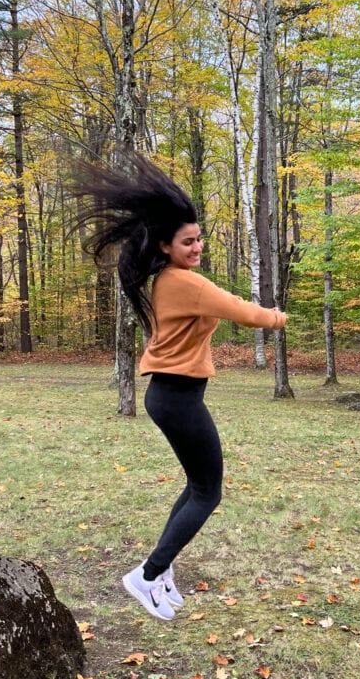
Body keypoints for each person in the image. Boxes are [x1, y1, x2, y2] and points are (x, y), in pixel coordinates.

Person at [73, 154, 287, 621]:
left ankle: (161, 570)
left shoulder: (170, 279)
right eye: (188, 241)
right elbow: (243, 310)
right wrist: (279, 317)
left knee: (197, 486)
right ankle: (146, 575)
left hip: (175, 397)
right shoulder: (183, 282)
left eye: (199, 239)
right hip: (176, 398)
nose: (198, 246)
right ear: (167, 246)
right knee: (209, 492)